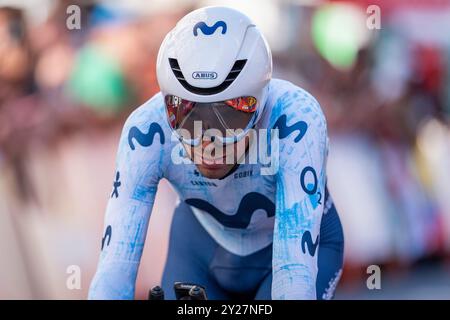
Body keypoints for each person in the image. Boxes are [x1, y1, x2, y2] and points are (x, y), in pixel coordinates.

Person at [88, 6, 344, 300]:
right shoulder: (147, 130)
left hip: (288, 253)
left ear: (260, 103)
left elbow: (293, 276)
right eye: (189, 117)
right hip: (200, 251)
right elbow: (112, 273)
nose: (208, 141)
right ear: (167, 105)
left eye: (229, 117)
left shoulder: (296, 118)